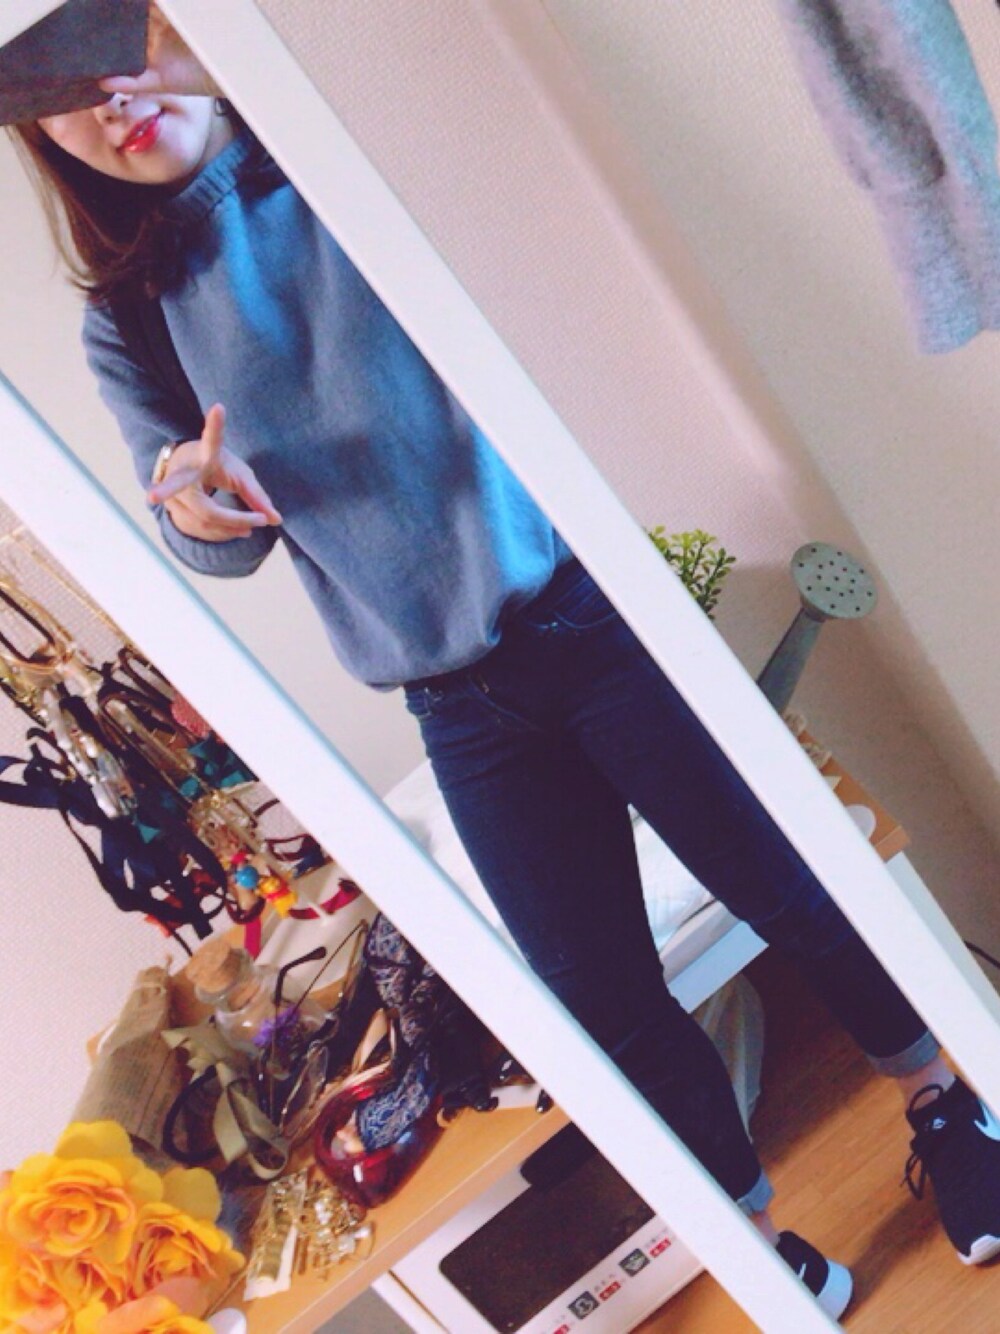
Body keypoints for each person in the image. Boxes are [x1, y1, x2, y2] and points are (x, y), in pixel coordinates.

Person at [10, 9, 1000, 1316]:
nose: (107, 97)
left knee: (785, 876)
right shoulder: (130, 320)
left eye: (113, 41)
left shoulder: (323, 159)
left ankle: (944, 1102)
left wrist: (228, 75)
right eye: (56, 93)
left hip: (585, 614)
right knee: (595, 994)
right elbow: (197, 537)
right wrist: (197, 507)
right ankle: (760, 1239)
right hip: (456, 701)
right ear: (40, 140)